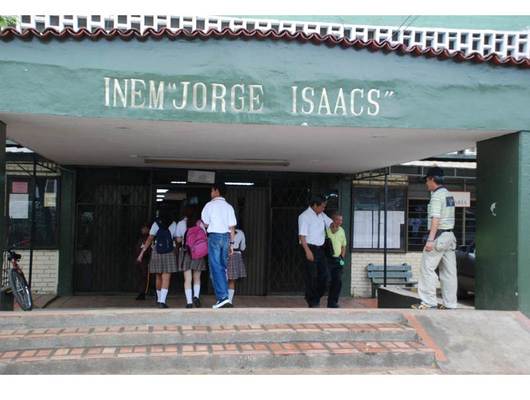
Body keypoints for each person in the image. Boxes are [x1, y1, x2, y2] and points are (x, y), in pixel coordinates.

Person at [412, 167, 458, 310]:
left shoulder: (437, 196)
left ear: (432, 179)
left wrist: (430, 240)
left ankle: (428, 302)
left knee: (427, 268)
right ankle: (450, 304)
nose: (426, 184)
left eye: (427, 180)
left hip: (438, 236)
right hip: (450, 236)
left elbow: (436, 219)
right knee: (449, 272)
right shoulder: (449, 195)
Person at [201, 183, 237, 309]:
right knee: (222, 268)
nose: (211, 193)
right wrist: (232, 244)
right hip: (226, 238)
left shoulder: (209, 205)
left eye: (212, 191)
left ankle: (222, 297)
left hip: (215, 237)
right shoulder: (229, 207)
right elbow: (232, 227)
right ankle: (224, 297)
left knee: (216, 268)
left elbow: (205, 224)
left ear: (217, 191)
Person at [137, 209, 178, 308]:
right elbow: (177, 239)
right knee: (166, 277)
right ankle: (162, 301)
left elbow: (150, 238)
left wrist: (142, 253)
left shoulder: (156, 224)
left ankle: (159, 299)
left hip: (157, 252)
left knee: (158, 277)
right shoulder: (173, 224)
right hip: (169, 252)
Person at [298, 195, 333, 308]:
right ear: (314, 205)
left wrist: (335, 224)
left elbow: (331, 224)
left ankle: (316, 297)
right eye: (322, 206)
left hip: (321, 249)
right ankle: (312, 301)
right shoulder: (304, 216)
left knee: (325, 276)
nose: (324, 209)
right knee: (311, 276)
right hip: (309, 247)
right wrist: (307, 251)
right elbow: (302, 236)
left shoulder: (322, 215)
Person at [176, 205, 207, 308]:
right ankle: (196, 296)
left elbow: (178, 240)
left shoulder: (181, 223)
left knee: (187, 279)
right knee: (197, 277)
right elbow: (205, 237)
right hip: (198, 253)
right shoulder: (200, 224)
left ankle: (189, 302)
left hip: (186, 253)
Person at [325, 213, 347, 308]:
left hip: (338, 260)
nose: (340, 222)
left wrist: (342, 257)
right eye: (338, 220)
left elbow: (344, 245)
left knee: (337, 281)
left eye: (341, 220)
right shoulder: (326, 230)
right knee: (326, 280)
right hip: (327, 259)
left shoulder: (342, 231)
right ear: (333, 220)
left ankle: (332, 302)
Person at [227, 227, 247, 305]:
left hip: (225, 254)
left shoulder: (224, 231)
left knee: (223, 278)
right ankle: (230, 301)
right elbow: (243, 247)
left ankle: (223, 299)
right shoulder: (241, 233)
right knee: (232, 280)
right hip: (236, 255)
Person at [134, 223, 151, 301]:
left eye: (144, 228)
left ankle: (143, 292)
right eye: (142, 228)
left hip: (146, 261)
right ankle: (140, 291)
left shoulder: (149, 238)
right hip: (140, 261)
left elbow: (149, 250)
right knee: (140, 277)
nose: (143, 230)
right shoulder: (141, 238)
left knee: (145, 277)